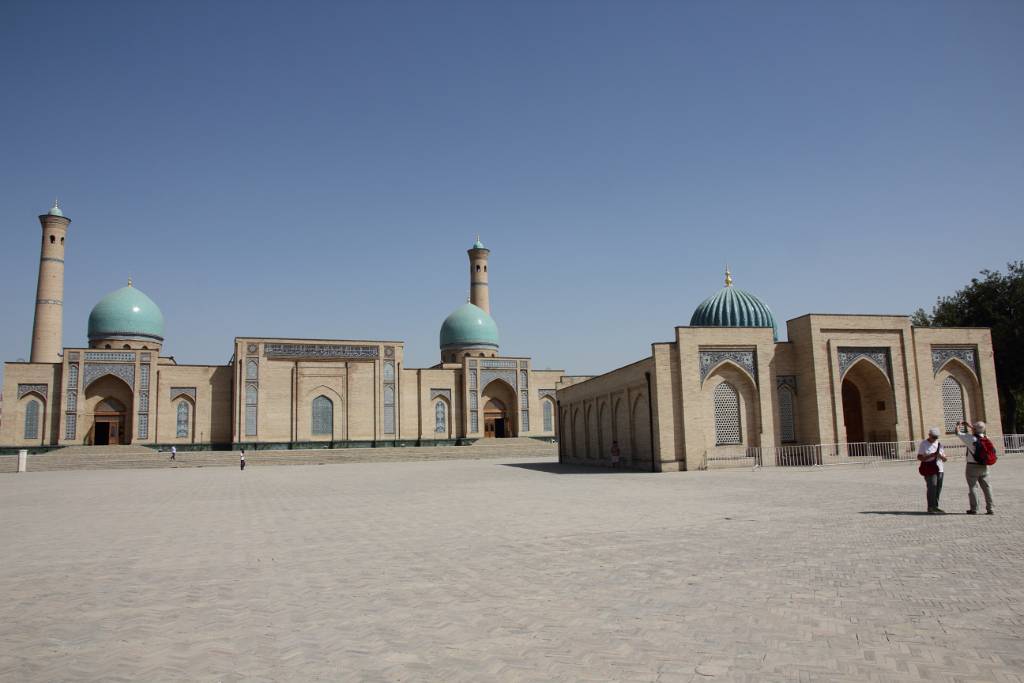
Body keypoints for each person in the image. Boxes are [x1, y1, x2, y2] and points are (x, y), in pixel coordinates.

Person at [956, 421, 994, 515]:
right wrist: (971, 426)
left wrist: (959, 425)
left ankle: (974, 508)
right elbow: (979, 430)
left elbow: (957, 432)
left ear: (974, 429)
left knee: (973, 487)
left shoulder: (970, 438)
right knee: (987, 487)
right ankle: (991, 508)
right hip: (984, 465)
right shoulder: (986, 438)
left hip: (972, 466)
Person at [917, 427, 947, 514]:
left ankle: (935, 506)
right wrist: (930, 456)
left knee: (938, 488)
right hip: (930, 468)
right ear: (929, 435)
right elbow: (919, 457)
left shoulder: (939, 444)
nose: (935, 439)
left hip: (940, 469)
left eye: (936, 437)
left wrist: (940, 456)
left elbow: (945, 459)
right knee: (932, 487)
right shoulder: (924, 444)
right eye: (933, 437)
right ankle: (930, 507)